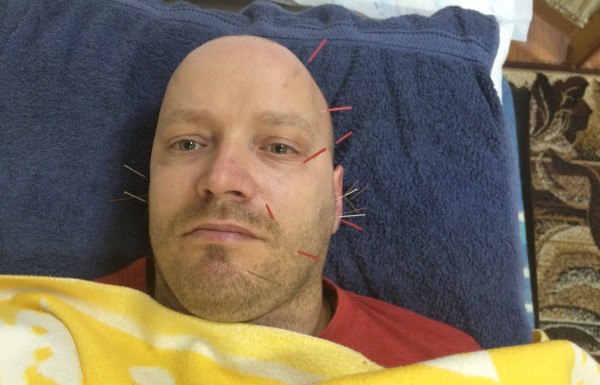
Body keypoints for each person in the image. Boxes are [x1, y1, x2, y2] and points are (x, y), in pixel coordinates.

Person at [97, 35, 480, 367]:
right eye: (187, 144)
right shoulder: (66, 334)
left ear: (336, 199)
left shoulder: (448, 371)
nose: (221, 180)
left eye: (279, 147)